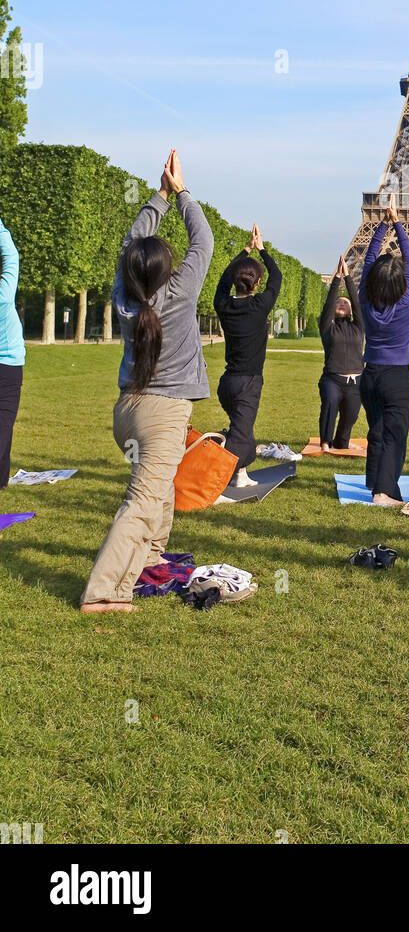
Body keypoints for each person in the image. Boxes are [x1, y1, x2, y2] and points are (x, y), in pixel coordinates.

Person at [81, 150, 214, 614]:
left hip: (128, 411)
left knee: (160, 489)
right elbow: (205, 240)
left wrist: (159, 196)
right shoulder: (180, 291)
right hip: (162, 413)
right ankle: (102, 592)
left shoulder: (125, 296)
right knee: (141, 500)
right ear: (166, 269)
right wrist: (181, 192)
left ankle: (150, 556)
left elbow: (131, 244)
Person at [213, 223, 282, 485]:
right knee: (242, 444)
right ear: (258, 282)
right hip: (248, 384)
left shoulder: (223, 305)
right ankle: (212, 473)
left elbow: (221, 282)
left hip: (227, 383)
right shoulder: (260, 305)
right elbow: (277, 277)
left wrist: (245, 251)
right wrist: (261, 249)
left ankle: (239, 476)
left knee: (243, 433)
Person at [359, 192, 409, 507]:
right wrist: (398, 223)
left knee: (378, 432)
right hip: (396, 377)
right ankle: (383, 492)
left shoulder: (366, 301)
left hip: (370, 375)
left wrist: (383, 225)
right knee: (395, 435)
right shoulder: (404, 300)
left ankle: (374, 482)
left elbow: (368, 262)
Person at [318, 254, 364, 452]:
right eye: (339, 302)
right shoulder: (328, 327)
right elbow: (328, 305)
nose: (341, 303)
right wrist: (337, 278)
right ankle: (325, 441)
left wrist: (349, 278)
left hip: (356, 381)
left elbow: (357, 302)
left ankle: (341, 442)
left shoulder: (358, 326)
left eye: (345, 302)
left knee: (351, 415)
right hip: (333, 379)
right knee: (329, 406)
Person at [0, 213, 25, 490]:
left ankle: (1, 478)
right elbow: (11, 257)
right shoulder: (4, 295)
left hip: (9, 364)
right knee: (5, 419)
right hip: (8, 366)